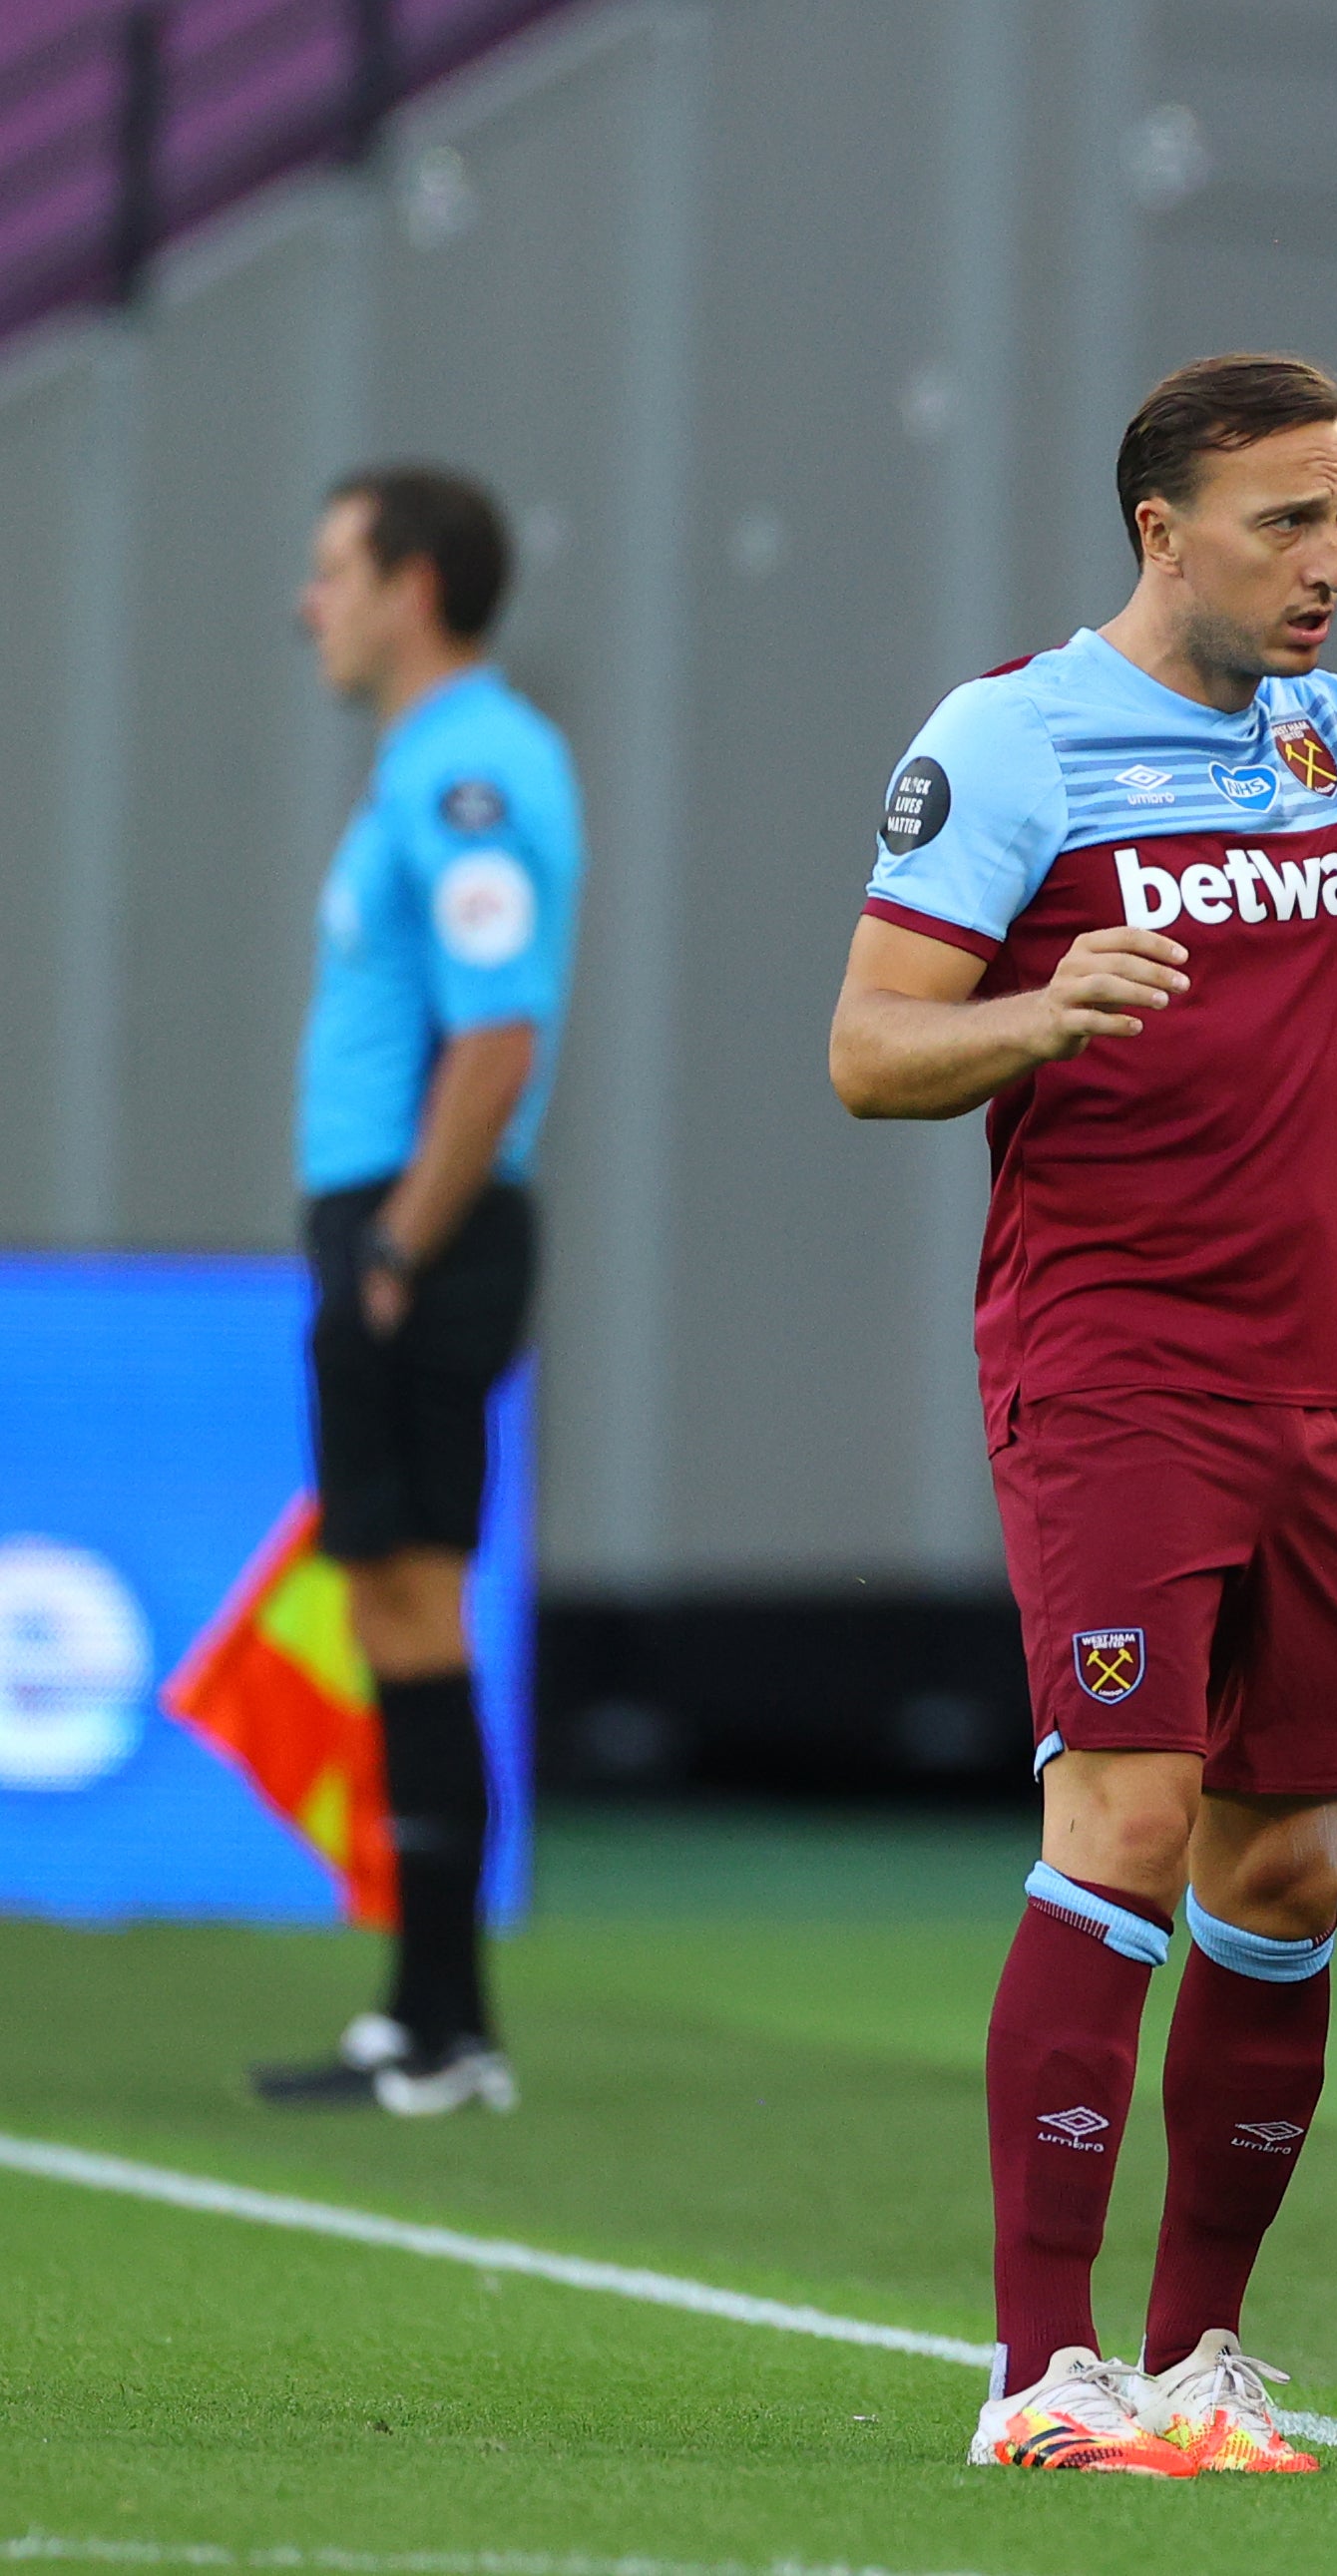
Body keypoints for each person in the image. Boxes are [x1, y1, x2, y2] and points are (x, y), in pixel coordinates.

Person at [827, 353, 1337, 2476]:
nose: (1323, 563)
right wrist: (1040, 1004)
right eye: (1287, 522)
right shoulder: (1008, 740)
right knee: (1119, 1809)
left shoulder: (1324, 732)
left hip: (1314, 1389)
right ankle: (1037, 2369)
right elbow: (867, 1048)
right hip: (1110, 1364)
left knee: (1282, 1869)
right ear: (1157, 528)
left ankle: (1198, 2359)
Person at [250, 467, 579, 2122]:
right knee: (391, 1606)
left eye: (334, 570)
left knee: (416, 1606)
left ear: (418, 582)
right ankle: (427, 2012)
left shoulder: (470, 770)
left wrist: (395, 1248)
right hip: (399, 1221)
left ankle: (449, 2027)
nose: (312, 604)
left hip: (419, 1227)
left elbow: (498, 1028)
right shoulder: (432, 764)